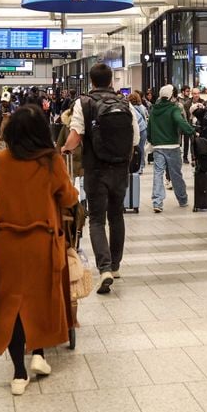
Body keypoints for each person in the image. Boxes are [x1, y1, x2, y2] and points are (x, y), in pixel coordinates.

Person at [0, 104, 79, 395]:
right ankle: (38, 354)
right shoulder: (51, 161)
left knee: (11, 303)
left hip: (7, 241)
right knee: (39, 297)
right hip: (42, 240)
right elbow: (68, 197)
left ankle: (19, 374)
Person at [60, 63, 138, 292]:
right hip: (120, 168)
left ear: (91, 81)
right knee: (116, 216)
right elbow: (134, 138)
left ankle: (103, 268)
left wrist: (64, 148)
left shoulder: (83, 103)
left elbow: (75, 135)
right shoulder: (125, 103)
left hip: (95, 169)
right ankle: (115, 265)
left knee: (96, 218)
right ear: (111, 81)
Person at [128, 92, 149, 173]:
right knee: (141, 148)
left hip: (135, 129)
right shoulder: (142, 107)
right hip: (143, 128)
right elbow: (144, 117)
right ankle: (141, 166)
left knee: (135, 148)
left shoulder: (129, 107)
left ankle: (135, 164)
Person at [179, 86, 194, 163]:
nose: (188, 93)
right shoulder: (178, 100)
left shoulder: (190, 100)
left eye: (189, 91)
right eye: (187, 91)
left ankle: (186, 157)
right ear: (183, 92)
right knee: (179, 141)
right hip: (180, 123)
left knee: (187, 141)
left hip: (188, 122)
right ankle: (179, 156)